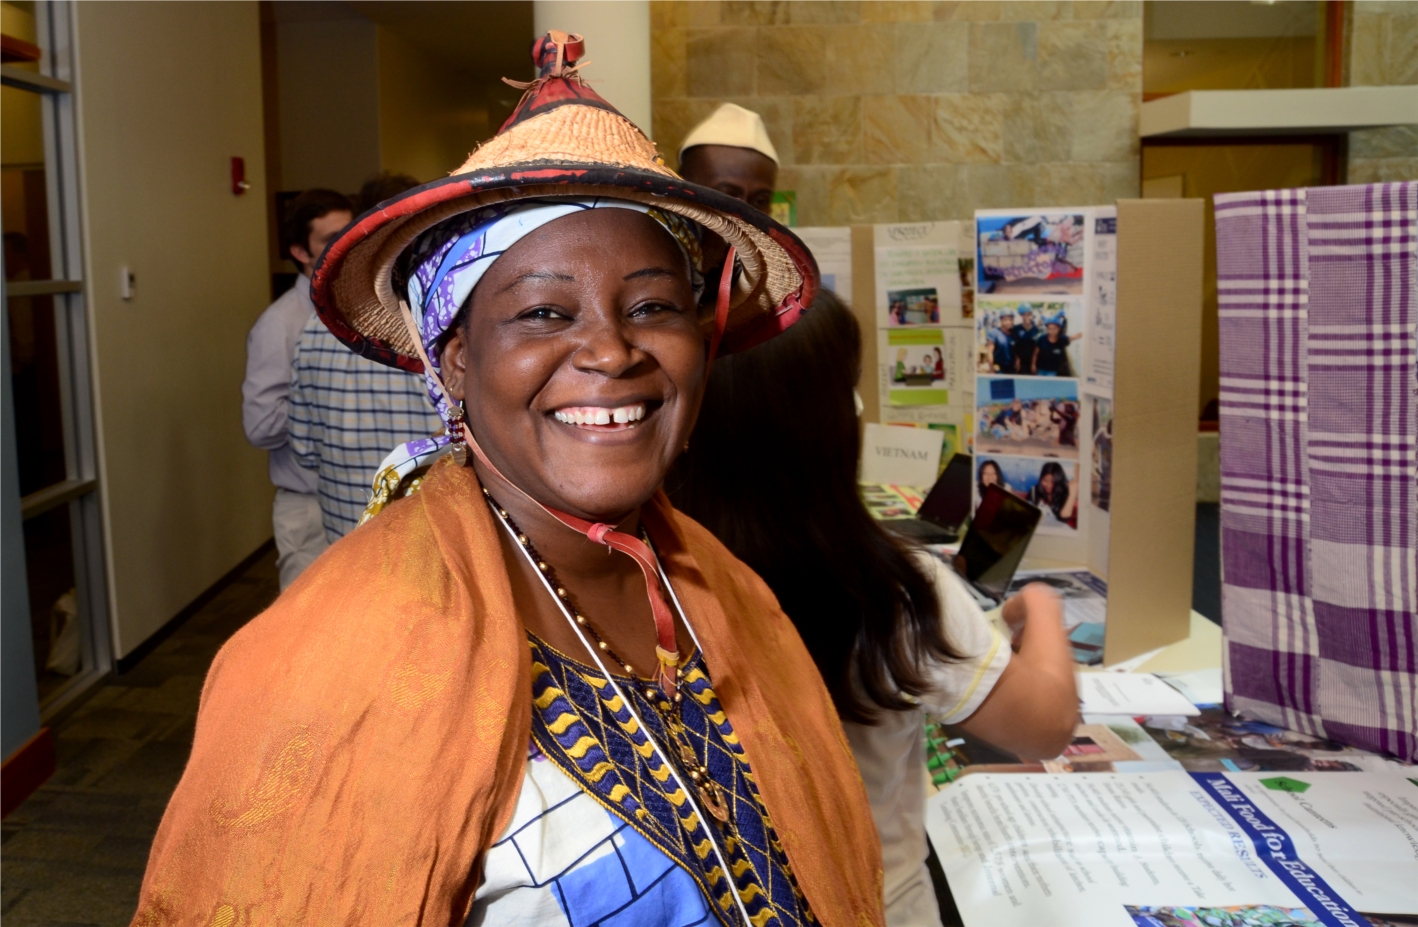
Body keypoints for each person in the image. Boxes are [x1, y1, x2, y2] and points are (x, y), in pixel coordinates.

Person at [132, 32, 884, 927]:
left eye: (652, 305)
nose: (612, 349)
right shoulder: (326, 664)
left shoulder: (722, 587)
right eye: (542, 312)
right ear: (452, 361)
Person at [669, 291, 1077, 927]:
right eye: (850, 386)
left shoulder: (645, 575)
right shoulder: (890, 587)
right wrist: (1044, 609)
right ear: (822, 419)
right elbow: (1045, 725)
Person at [285, 168, 437, 541]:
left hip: (344, 538)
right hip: (419, 536)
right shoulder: (429, 329)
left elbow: (303, 449)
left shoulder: (315, 327)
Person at [241, 189, 351, 588]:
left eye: (349, 232)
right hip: (309, 510)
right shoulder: (281, 324)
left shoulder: (355, 309)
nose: (344, 246)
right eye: (328, 240)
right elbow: (259, 425)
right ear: (300, 252)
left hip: (357, 501)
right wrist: (327, 399)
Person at [1029, 461, 1078, 529]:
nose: (1049, 485)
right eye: (1045, 480)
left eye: (1052, 482)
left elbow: (1063, 519)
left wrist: (1072, 494)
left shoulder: (1065, 493)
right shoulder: (1034, 491)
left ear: (1059, 480)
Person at [1010, 306, 1039, 374]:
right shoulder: (1016, 329)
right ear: (1021, 316)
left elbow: (1037, 347)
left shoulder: (1036, 329)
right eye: (1024, 315)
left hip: (1032, 360)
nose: (1026, 317)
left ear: (1032, 315)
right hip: (1020, 360)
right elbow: (1015, 346)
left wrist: (1033, 363)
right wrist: (1017, 359)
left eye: (1029, 315)